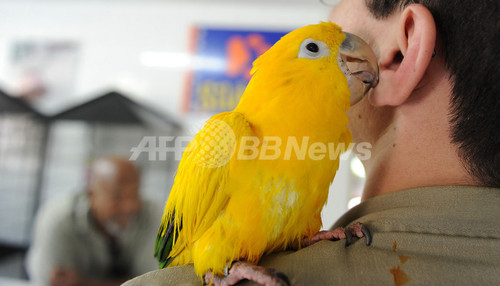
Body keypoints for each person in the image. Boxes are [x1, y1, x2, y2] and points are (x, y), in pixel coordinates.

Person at [124, 0, 500, 285]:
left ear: (402, 54)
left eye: (351, 38)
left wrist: (303, 239)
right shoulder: (230, 131)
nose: (354, 54)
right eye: (315, 49)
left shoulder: (333, 138)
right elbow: (178, 243)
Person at [26, 156, 163, 286]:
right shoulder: (58, 220)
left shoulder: (154, 215)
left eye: (134, 193)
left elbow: (155, 282)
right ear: (91, 194)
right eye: (117, 196)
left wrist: (85, 283)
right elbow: (57, 282)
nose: (128, 206)